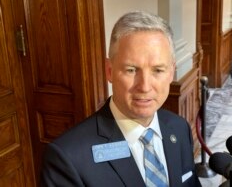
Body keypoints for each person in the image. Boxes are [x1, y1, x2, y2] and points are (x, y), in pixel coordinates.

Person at [41, 11, 201, 187]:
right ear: (109, 71)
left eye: (158, 70)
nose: (145, 86)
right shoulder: (67, 157)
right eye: (131, 70)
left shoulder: (179, 128)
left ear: (171, 72)